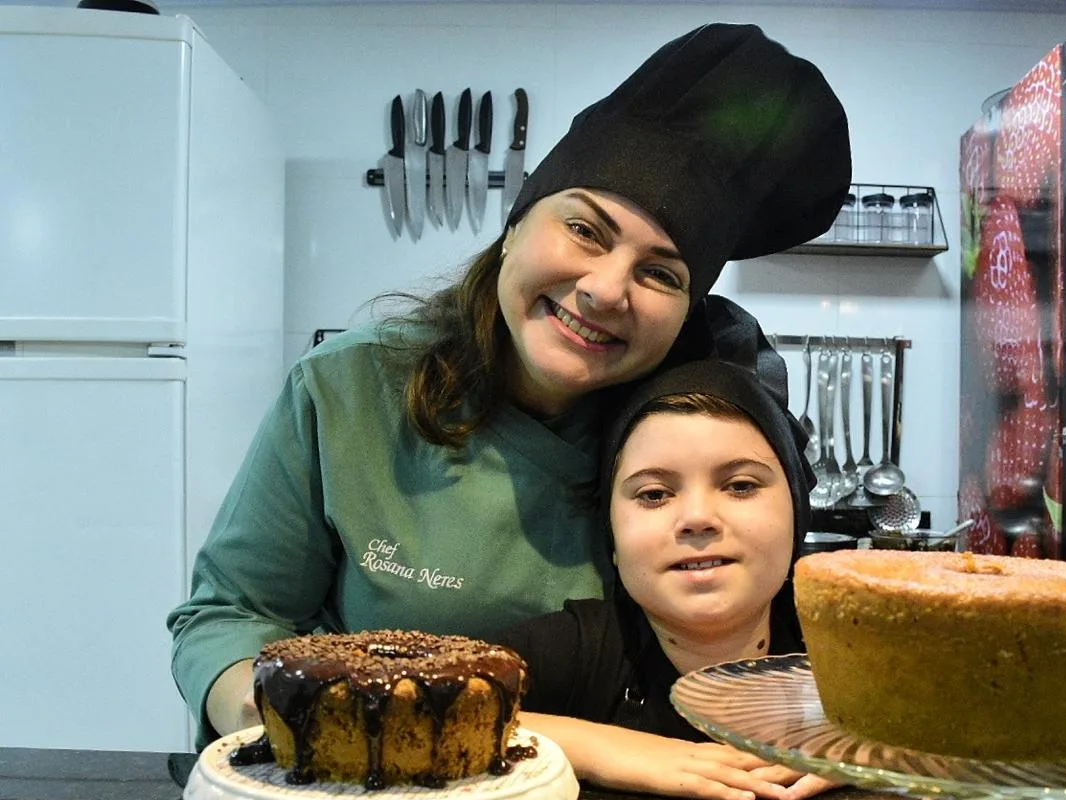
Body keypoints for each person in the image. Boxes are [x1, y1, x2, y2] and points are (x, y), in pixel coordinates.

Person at [168, 22, 851, 747]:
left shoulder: (673, 438)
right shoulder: (348, 391)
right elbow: (227, 614)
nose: (605, 288)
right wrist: (286, 719)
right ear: (516, 225)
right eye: (586, 231)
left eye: (660, 272)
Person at [495, 358, 838, 800]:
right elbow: (382, 714)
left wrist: (875, 748)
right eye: (654, 494)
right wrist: (597, 749)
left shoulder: (850, 642)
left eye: (739, 486)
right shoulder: (581, 649)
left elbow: (960, 715)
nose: (696, 518)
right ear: (612, 537)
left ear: (796, 512)